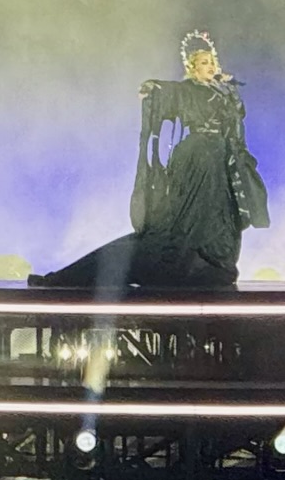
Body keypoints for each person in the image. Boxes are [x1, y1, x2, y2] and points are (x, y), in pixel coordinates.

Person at [31, 32, 270, 288]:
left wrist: (228, 88)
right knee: (184, 217)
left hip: (221, 160)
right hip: (197, 156)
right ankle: (67, 277)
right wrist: (153, 88)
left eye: (212, 62)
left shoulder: (222, 92)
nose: (210, 66)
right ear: (192, 68)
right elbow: (167, 91)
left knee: (219, 212)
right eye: (204, 62)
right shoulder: (186, 90)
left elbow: (237, 115)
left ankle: (211, 259)